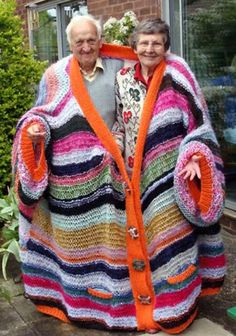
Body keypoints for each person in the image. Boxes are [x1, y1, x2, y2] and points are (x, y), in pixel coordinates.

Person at [112, 18, 226, 334]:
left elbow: (200, 123)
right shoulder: (122, 79)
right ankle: (151, 302)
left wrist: (195, 157)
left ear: (166, 47)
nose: (150, 48)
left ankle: (178, 305)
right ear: (134, 47)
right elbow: (121, 124)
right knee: (145, 240)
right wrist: (116, 149)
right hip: (136, 176)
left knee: (173, 241)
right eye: (144, 43)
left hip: (173, 175)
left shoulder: (177, 78)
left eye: (156, 43)